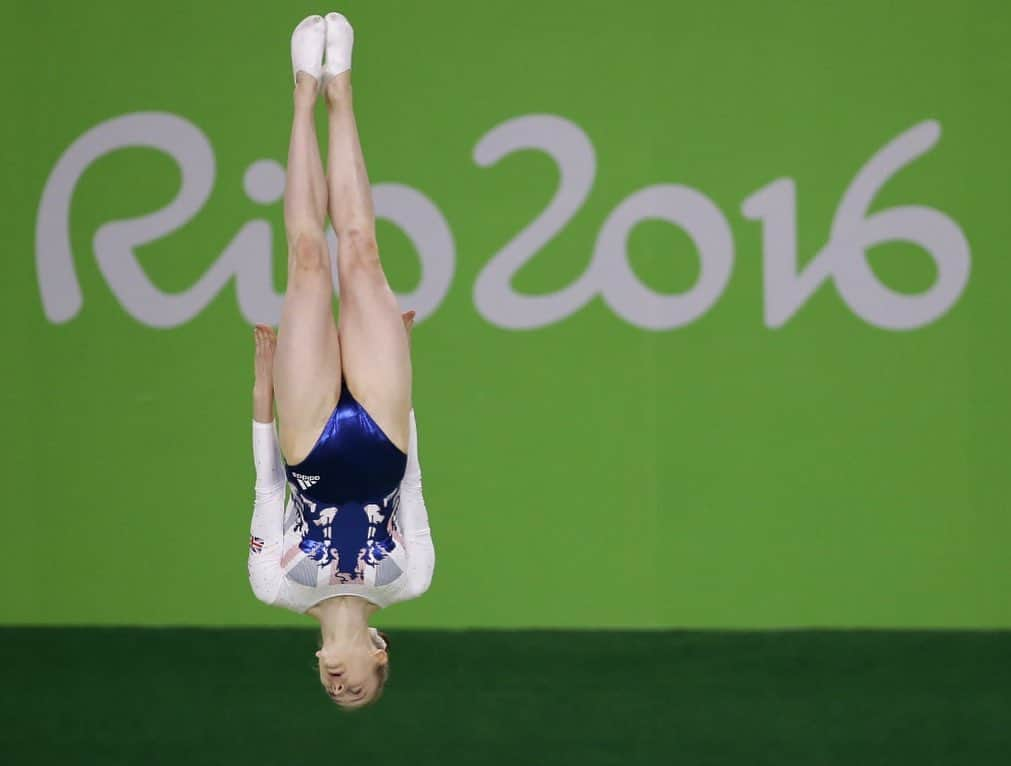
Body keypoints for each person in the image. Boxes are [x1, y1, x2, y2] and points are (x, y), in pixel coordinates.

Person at [245, 12, 435, 709]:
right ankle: (340, 92)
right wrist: (400, 370)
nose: (342, 688)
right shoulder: (409, 578)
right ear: (379, 654)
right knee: (358, 253)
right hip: (383, 436)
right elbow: (412, 484)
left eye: (337, 695)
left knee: (305, 265)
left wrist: (261, 396)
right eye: (360, 689)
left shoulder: (276, 586)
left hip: (306, 445)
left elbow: (267, 491)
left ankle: (300, 94)